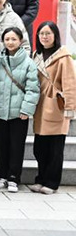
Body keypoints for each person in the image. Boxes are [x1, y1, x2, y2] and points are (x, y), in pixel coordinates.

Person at [30, 21, 76, 194]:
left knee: (55, 149)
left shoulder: (64, 57)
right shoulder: (36, 55)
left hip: (57, 105)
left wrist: (70, 108)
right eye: (41, 33)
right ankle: (40, 179)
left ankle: (51, 183)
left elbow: (70, 83)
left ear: (55, 36)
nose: (44, 37)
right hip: (40, 105)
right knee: (40, 148)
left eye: (48, 33)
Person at [0, 27, 39, 193]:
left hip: (19, 113)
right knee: (1, 145)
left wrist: (26, 110)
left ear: (20, 41)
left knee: (16, 146)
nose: (10, 42)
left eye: (14, 39)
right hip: (0, 111)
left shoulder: (28, 63)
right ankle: (2, 176)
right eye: (7, 39)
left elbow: (33, 89)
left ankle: (13, 177)